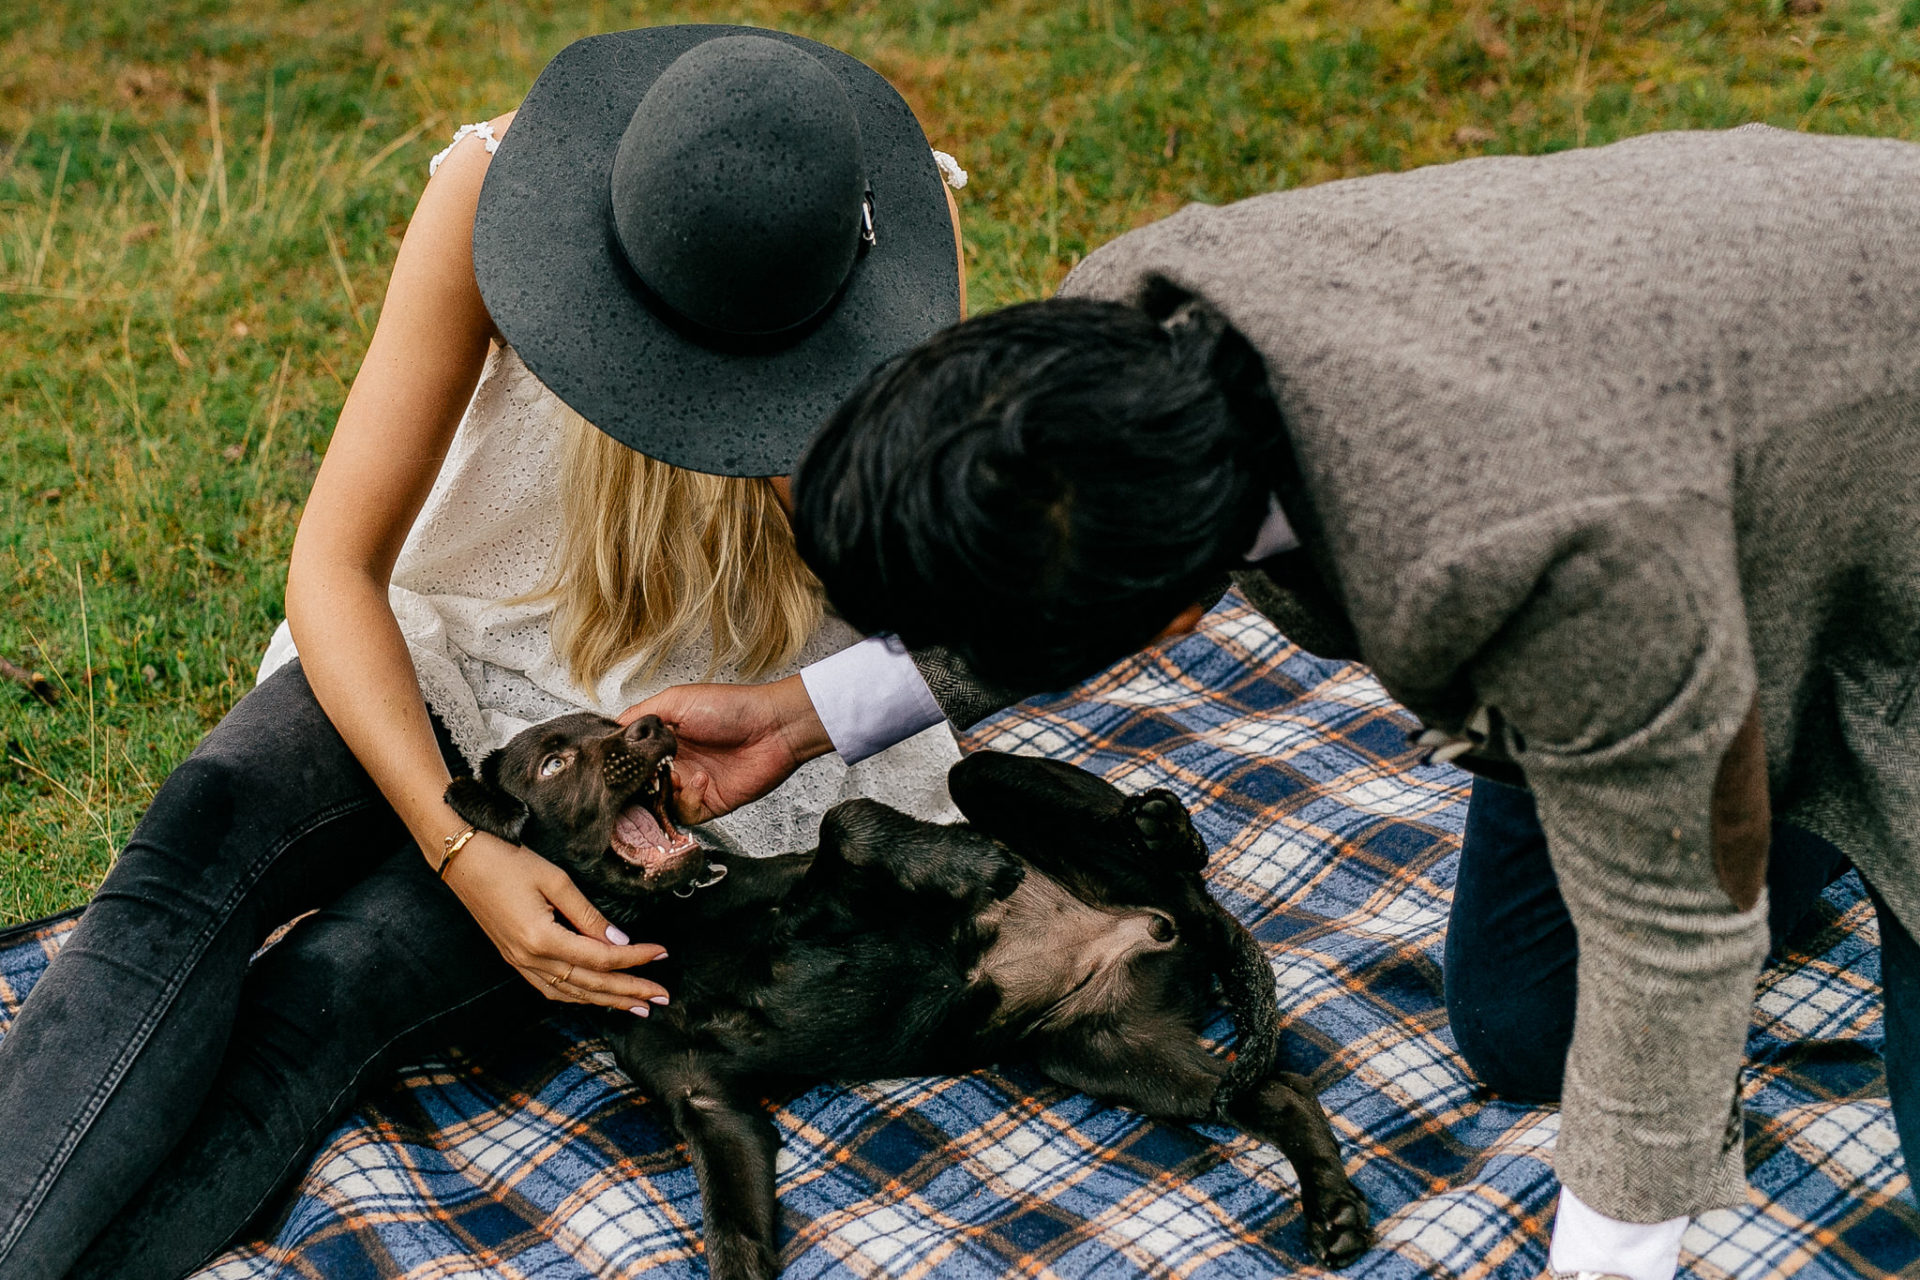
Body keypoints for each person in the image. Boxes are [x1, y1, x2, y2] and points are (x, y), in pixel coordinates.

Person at [629, 125, 1919, 1280]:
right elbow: (1053, 553)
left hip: (1872, 513)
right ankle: (1746, 760)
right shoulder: (1120, 328)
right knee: (1531, 1025)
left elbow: (1668, 920)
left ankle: (1813, 777)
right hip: (1686, 461)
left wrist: (1608, 1249)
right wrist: (809, 712)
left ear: (1178, 621)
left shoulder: (1525, 552)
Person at [0, 26, 970, 1280]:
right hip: (440, 639)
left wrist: (809, 463)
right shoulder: (493, 195)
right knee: (180, 866)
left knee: (330, 997)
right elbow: (335, 564)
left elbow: (948, 614)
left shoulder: (889, 270)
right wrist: (457, 843)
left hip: (664, 761)